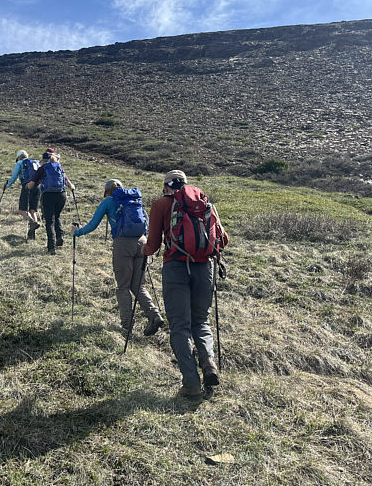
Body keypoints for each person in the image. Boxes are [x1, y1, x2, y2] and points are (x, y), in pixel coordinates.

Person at [143, 170, 229, 400]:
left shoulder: (161, 205)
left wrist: (144, 250)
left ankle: (191, 383)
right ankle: (208, 363)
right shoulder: (205, 204)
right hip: (205, 268)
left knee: (180, 326)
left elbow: (152, 245)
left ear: (166, 186)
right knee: (201, 321)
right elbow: (224, 239)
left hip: (176, 267)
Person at [72, 179, 165, 336]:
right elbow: (146, 222)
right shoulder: (134, 200)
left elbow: (93, 224)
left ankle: (127, 326)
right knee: (138, 286)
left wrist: (78, 232)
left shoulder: (108, 202)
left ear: (107, 191)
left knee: (123, 286)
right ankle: (154, 315)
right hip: (142, 242)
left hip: (123, 244)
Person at [26, 151, 74, 255]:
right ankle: (59, 236)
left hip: (48, 196)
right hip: (61, 195)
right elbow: (68, 182)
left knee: (49, 221)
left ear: (43, 160)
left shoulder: (42, 168)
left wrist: (27, 186)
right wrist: (72, 187)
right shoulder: (59, 167)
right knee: (57, 216)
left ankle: (51, 247)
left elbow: (31, 184)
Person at [6, 149, 41, 239]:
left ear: (18, 157)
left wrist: (7, 185)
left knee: (22, 210)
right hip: (37, 187)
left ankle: (33, 223)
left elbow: (14, 176)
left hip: (27, 186)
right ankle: (32, 235)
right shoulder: (36, 162)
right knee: (32, 210)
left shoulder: (20, 163)